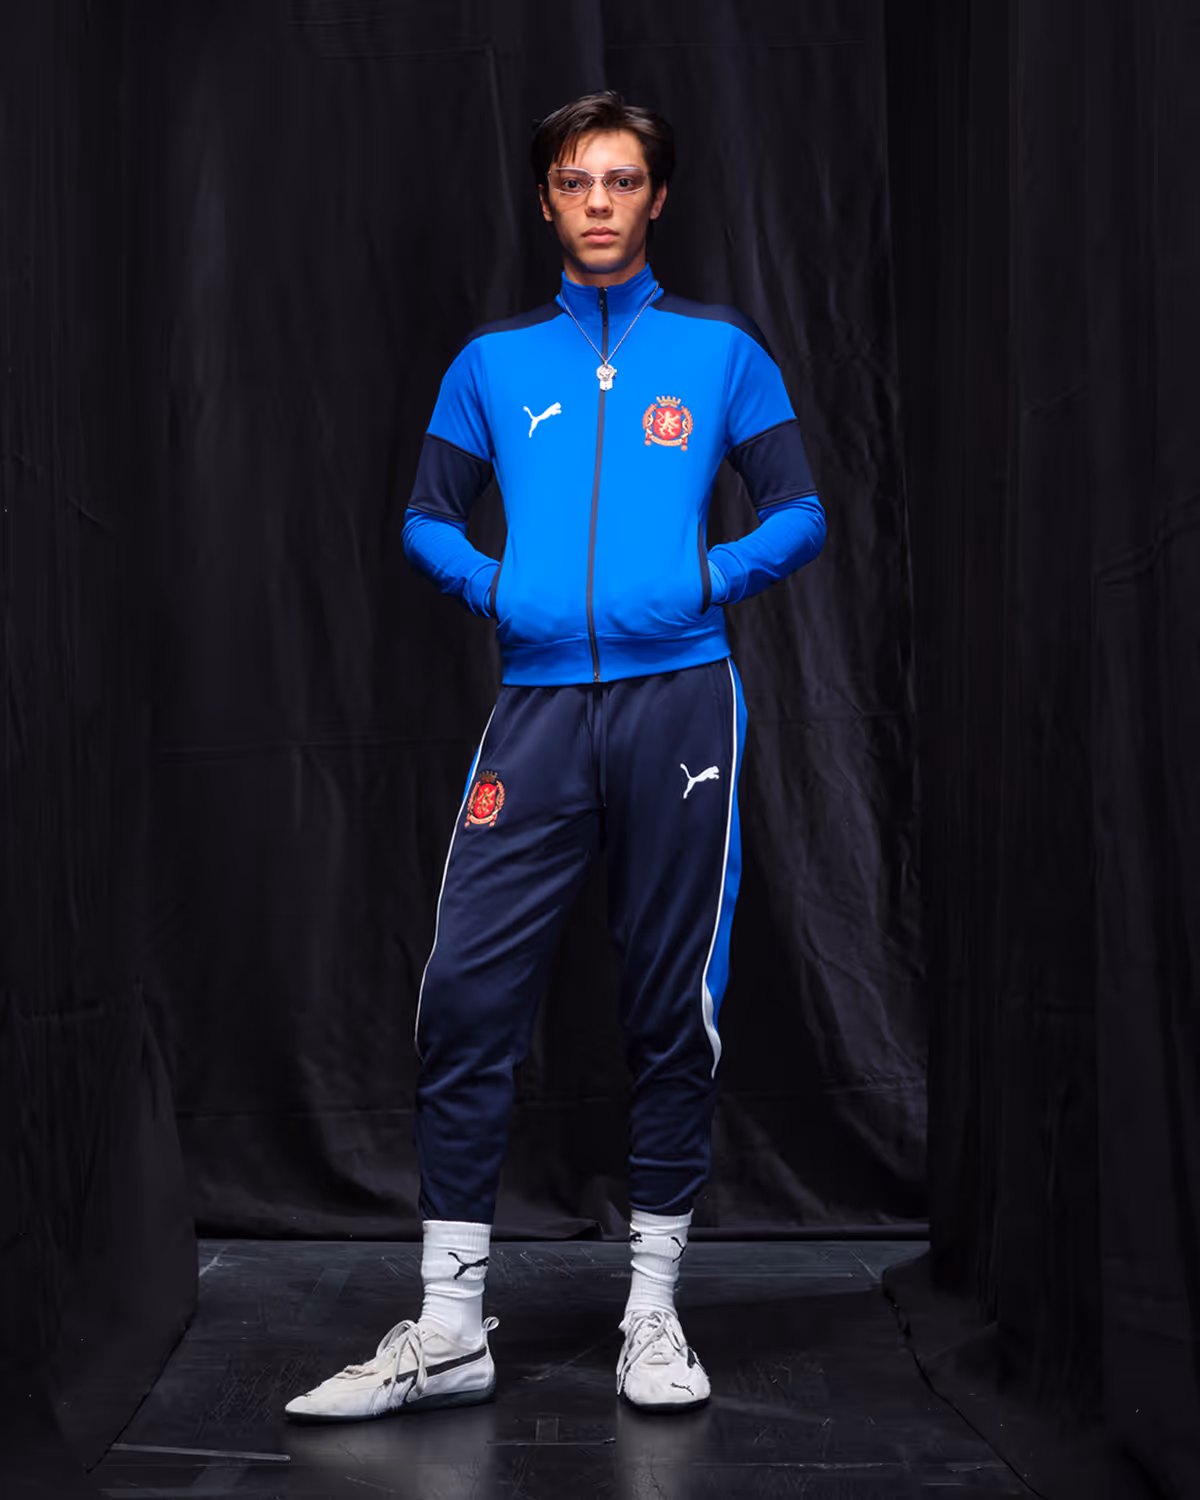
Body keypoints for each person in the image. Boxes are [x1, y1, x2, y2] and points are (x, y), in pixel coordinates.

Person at [284, 89, 824, 1424]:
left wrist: (707, 576)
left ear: (657, 199)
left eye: (622, 180)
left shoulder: (720, 353)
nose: (598, 202)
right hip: (533, 709)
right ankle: (450, 1328)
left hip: (681, 704)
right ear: (545, 201)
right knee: (465, 994)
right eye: (576, 181)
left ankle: (653, 1314)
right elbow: (426, 518)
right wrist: (496, 589)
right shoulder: (493, 363)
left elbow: (801, 511)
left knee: (671, 1006)